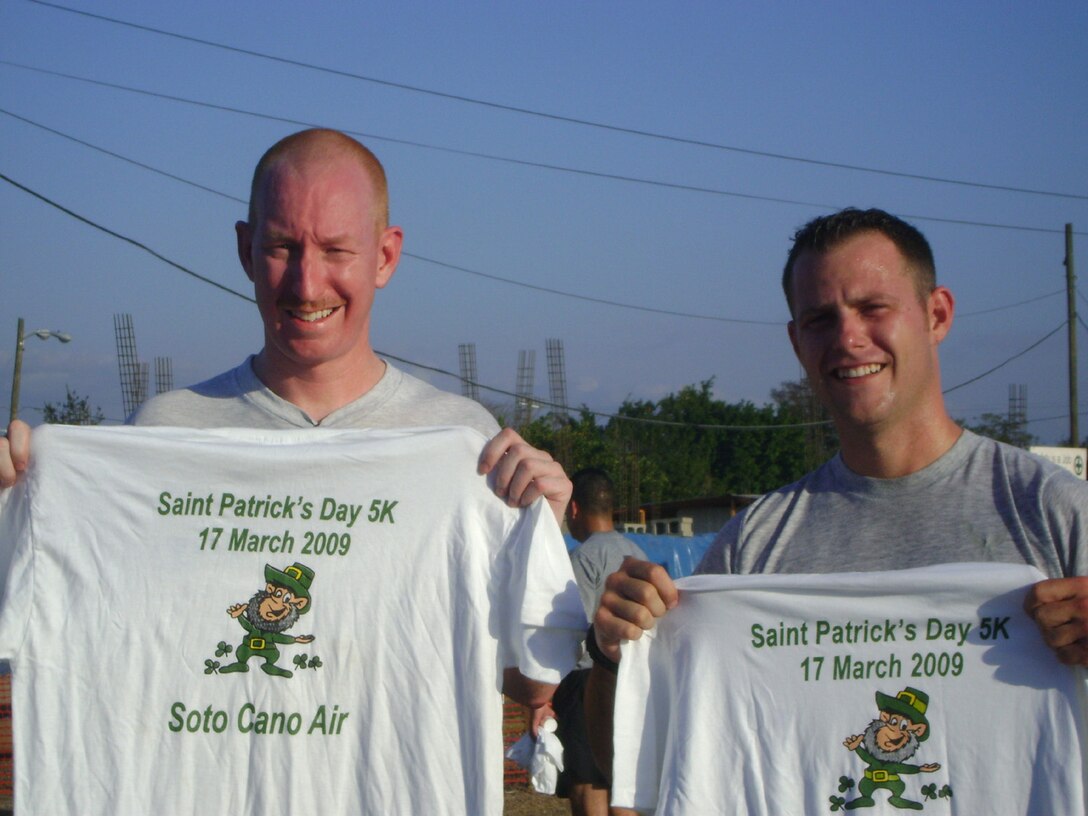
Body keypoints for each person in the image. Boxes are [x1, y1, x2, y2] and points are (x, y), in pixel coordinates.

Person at [0, 130, 574, 704]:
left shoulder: (464, 448)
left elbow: (530, 685)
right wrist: (17, 511)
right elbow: (94, 636)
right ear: (245, 250)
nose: (306, 283)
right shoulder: (164, 437)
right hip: (213, 789)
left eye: (336, 250)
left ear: (386, 256)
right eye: (282, 247)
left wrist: (542, 532)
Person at [586, 206, 1088, 776]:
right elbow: (630, 765)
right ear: (798, 341)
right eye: (821, 320)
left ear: (937, 314)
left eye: (873, 308)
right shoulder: (753, 548)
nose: (849, 338)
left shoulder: (1055, 514)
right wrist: (612, 655)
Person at [544, 468, 644, 816]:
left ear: (573, 510)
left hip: (587, 682)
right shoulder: (637, 553)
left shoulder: (582, 559)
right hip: (633, 682)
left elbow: (572, 634)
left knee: (588, 784)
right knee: (624, 783)